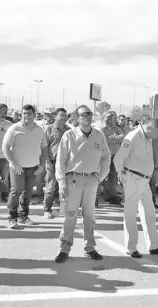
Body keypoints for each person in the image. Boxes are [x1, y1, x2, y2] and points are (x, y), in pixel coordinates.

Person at [54, 105, 111, 263]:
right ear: (77, 118)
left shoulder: (99, 136)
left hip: (91, 180)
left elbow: (106, 157)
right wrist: (61, 183)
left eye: (89, 114)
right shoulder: (69, 135)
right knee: (70, 214)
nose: (87, 117)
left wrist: (100, 177)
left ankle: (90, 247)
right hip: (73, 179)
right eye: (83, 114)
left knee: (89, 215)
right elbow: (60, 161)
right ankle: (64, 248)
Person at [113, 117, 158, 258]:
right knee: (131, 213)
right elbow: (119, 158)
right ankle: (131, 247)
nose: (157, 136)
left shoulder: (148, 137)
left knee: (149, 213)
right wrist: (121, 175)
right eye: (157, 133)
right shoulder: (133, 136)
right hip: (132, 178)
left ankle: (155, 246)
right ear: (150, 128)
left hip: (144, 180)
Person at [2, 104, 47, 229]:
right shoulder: (14, 128)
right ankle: (12, 218)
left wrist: (42, 165)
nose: (26, 116)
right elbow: (5, 147)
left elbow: (44, 148)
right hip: (17, 167)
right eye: (24, 114)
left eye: (29, 113)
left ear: (34, 115)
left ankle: (23, 216)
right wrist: (12, 162)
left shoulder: (39, 130)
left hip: (32, 167)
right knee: (15, 191)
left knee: (27, 194)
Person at [43, 108, 69, 218]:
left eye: (65, 115)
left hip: (66, 163)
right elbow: (44, 147)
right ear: (55, 116)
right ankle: (47, 209)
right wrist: (47, 161)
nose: (63, 118)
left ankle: (61, 208)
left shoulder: (69, 131)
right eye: (61, 115)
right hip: (52, 161)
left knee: (63, 186)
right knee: (50, 187)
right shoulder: (48, 129)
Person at [98, 111, 125, 205]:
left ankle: (112, 197)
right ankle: (98, 197)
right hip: (104, 157)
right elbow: (105, 140)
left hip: (115, 156)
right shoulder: (100, 129)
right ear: (104, 118)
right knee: (102, 177)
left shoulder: (117, 128)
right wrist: (116, 139)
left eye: (113, 117)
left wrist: (113, 139)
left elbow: (123, 138)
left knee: (113, 178)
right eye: (108, 117)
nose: (111, 119)